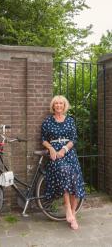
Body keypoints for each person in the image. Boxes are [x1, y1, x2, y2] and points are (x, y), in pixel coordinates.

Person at [41, 95, 85, 230]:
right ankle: (67, 208)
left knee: (74, 176)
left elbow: (73, 139)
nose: (59, 105)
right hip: (55, 154)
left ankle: (73, 214)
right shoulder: (48, 121)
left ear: (64, 106)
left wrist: (64, 149)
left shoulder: (70, 120)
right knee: (64, 171)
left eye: (61, 103)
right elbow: (43, 139)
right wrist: (51, 148)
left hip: (69, 152)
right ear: (53, 106)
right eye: (56, 104)